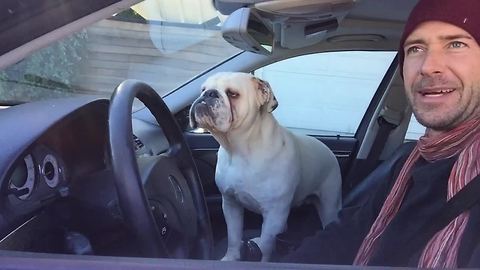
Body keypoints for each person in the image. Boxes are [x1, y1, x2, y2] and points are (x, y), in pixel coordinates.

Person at [282, 0, 480, 268]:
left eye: (456, 44)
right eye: (415, 48)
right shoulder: (408, 161)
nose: (427, 65)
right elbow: (343, 237)